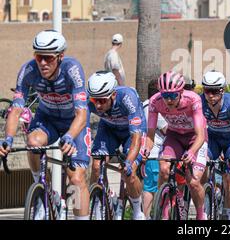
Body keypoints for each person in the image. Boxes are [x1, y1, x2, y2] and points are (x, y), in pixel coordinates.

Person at [0, 30, 91, 220]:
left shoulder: (72, 69)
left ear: (60, 56)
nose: (42, 63)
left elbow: (81, 113)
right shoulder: (28, 71)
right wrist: (7, 139)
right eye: (38, 56)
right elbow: (16, 110)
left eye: (48, 58)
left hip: (73, 122)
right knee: (33, 142)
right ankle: (41, 190)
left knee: (76, 179)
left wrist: (70, 136)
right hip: (47, 118)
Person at [146, 71, 208, 220]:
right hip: (174, 136)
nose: (168, 100)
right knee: (164, 168)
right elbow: (150, 135)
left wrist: (192, 152)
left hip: (195, 137)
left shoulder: (193, 99)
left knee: (193, 182)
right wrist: (146, 150)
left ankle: (201, 215)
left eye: (173, 95)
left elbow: (200, 135)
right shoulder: (155, 101)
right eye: (165, 96)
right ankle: (164, 212)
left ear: (181, 92)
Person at [87, 71, 147, 220]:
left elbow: (136, 138)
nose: (98, 105)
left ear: (113, 95)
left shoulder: (128, 98)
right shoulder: (91, 101)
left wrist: (128, 162)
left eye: (102, 100)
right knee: (96, 166)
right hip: (108, 129)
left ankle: (137, 208)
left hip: (131, 132)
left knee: (129, 172)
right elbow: (82, 126)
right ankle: (103, 199)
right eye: (95, 101)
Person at [200, 71, 230, 220]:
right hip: (213, 139)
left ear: (222, 90)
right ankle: (205, 208)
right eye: (207, 90)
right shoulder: (200, 102)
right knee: (200, 166)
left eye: (214, 91)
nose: (210, 95)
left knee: (228, 177)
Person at [142, 79, 168, 219]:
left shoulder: (143, 105)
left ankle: (146, 216)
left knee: (149, 187)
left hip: (148, 153)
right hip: (155, 153)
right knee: (152, 188)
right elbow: (167, 130)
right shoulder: (154, 108)